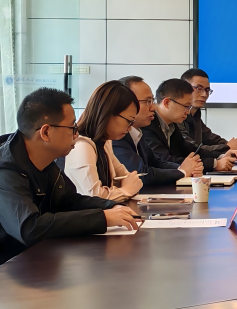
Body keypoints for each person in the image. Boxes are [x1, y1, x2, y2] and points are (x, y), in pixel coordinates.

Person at [0, 88, 139, 265]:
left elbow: (70, 200)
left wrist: (113, 207)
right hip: (10, 268)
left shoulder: (46, 162)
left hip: (41, 260)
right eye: (72, 128)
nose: (76, 134)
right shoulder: (6, 169)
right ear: (46, 132)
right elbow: (30, 228)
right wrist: (102, 218)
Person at [113, 76, 203, 184]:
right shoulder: (116, 136)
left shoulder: (136, 133)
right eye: (147, 101)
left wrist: (187, 168)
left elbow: (157, 162)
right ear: (124, 104)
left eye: (152, 100)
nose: (153, 107)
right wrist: (182, 172)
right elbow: (140, 174)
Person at [64, 81, 144, 201]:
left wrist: (128, 186)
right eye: (129, 121)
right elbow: (93, 197)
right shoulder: (81, 145)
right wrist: (126, 191)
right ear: (108, 113)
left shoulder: (104, 141)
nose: (129, 128)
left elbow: (126, 177)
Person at [141, 78, 237, 173]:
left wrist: (220, 156)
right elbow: (164, 160)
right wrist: (214, 164)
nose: (188, 112)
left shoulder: (172, 124)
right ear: (167, 102)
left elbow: (188, 150)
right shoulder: (148, 125)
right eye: (186, 106)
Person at [180, 68, 237, 156]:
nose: (204, 95)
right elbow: (191, 149)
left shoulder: (196, 114)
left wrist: (236, 145)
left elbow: (210, 138)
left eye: (207, 90)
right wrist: (227, 147)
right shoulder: (177, 116)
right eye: (199, 88)